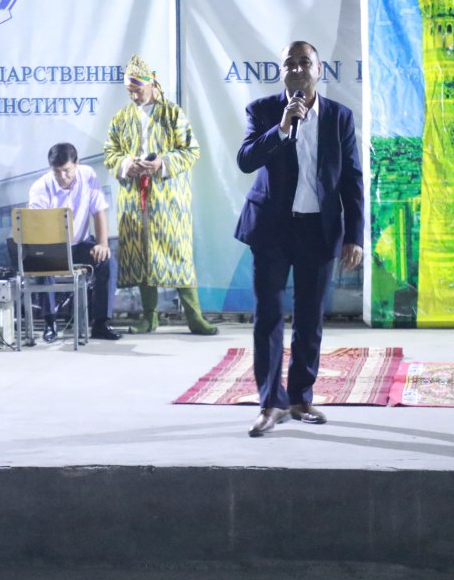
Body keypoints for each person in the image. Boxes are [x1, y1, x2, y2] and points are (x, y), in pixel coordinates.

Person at [235, 41, 364, 438]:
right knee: (269, 317)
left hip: (317, 229)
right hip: (272, 230)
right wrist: (283, 128)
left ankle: (300, 398)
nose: (295, 68)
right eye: (289, 63)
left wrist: (354, 236)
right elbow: (246, 159)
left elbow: (351, 179)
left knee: (310, 318)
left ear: (318, 70)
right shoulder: (263, 111)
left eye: (303, 62)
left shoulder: (339, 117)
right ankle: (270, 403)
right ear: (281, 71)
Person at [104, 55, 217, 336]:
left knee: (177, 253)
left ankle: (194, 317)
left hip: (168, 198)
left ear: (152, 84)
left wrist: (161, 164)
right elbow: (110, 152)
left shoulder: (173, 113)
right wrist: (124, 164)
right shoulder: (121, 118)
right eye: (129, 90)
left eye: (137, 89)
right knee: (142, 254)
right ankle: (149, 316)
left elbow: (191, 151)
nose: (133, 95)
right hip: (134, 197)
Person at [27, 142, 121, 341]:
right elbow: (37, 228)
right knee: (43, 263)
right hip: (51, 246)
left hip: (80, 244)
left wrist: (102, 244)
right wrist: (51, 249)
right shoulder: (40, 187)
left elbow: (99, 211)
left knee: (108, 262)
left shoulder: (88, 175)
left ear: (77, 163)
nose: (62, 177)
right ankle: (49, 323)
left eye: (67, 171)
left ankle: (101, 323)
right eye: (57, 172)